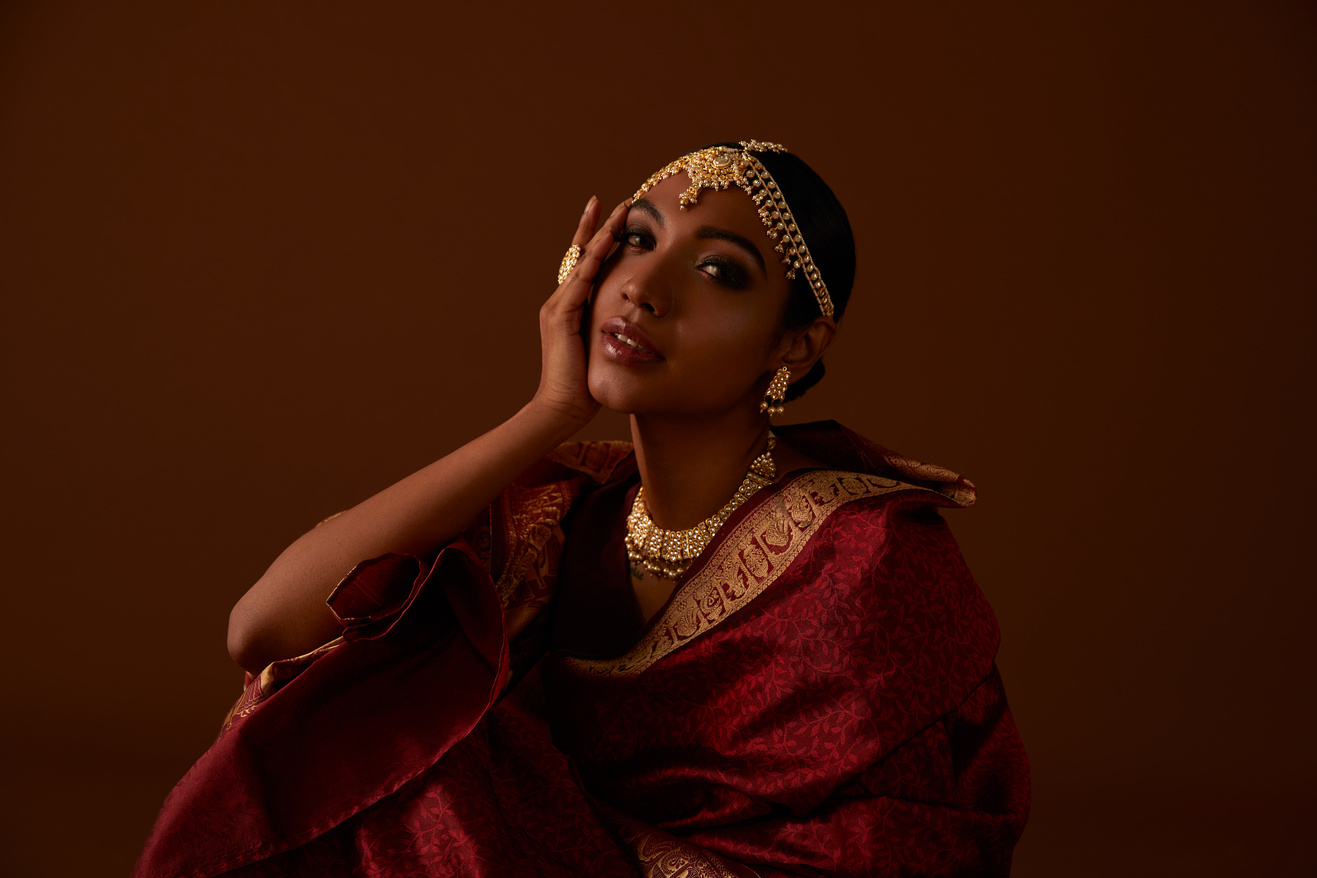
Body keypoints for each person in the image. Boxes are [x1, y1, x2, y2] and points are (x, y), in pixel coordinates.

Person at [137, 141, 1029, 877]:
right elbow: (265, 631)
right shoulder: (570, 506)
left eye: (718, 270)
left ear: (793, 344)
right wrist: (548, 411)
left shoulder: (866, 555)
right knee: (352, 708)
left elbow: (906, 845)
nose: (644, 287)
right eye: (634, 241)